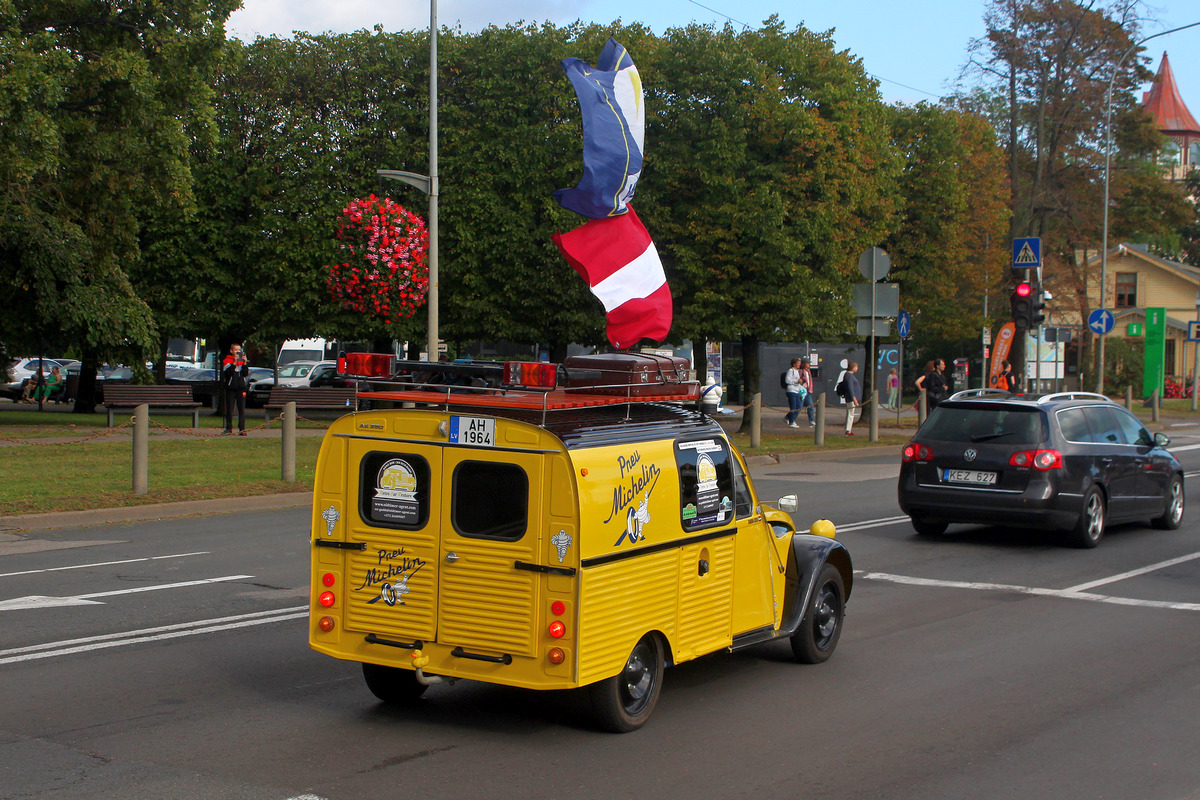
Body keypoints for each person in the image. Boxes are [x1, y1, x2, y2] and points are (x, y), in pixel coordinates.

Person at [222, 343, 250, 435]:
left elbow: (245, 374)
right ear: (231, 351)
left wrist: (245, 363)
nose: (237, 352)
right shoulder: (227, 360)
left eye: (239, 350)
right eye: (235, 350)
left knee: (241, 409)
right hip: (231, 387)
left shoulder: (242, 361)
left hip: (241, 388)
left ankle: (242, 428)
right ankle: (229, 427)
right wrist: (234, 362)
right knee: (229, 408)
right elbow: (227, 373)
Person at [840, 360, 862, 436]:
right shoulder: (849, 376)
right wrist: (854, 398)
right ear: (853, 367)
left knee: (850, 413)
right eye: (856, 367)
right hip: (851, 398)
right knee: (851, 414)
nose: (857, 369)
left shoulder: (848, 375)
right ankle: (848, 430)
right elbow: (850, 388)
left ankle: (848, 429)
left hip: (850, 398)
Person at [783, 358, 806, 428]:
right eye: (798, 363)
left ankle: (788, 418)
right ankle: (792, 421)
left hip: (796, 390)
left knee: (798, 407)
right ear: (794, 364)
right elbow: (787, 380)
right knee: (793, 407)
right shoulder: (791, 371)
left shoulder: (797, 371)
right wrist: (796, 381)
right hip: (791, 390)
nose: (799, 364)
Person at [798, 357, 816, 426]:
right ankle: (790, 418)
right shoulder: (801, 371)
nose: (809, 364)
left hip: (808, 391)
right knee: (799, 407)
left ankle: (811, 421)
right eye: (807, 363)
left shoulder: (808, 371)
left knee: (810, 406)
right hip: (802, 391)